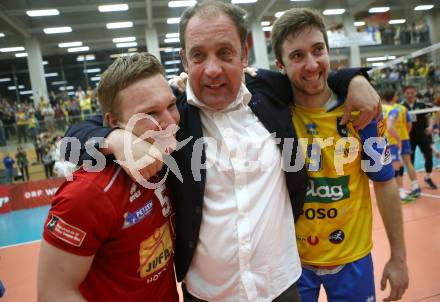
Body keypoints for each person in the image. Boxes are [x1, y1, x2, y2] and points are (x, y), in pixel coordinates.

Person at [64, 1, 381, 300]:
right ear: (185, 60)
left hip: (282, 287)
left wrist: (355, 79)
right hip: (206, 295)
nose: (212, 69)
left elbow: (313, 76)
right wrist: (116, 139)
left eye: (225, 53)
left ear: (244, 53)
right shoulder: (170, 114)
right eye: (199, 56)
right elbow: (76, 136)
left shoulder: (269, 90)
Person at [270, 8, 409, 301]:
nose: (311, 64)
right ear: (280, 65)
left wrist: (398, 258)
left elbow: (385, 183)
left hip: (353, 259)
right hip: (292, 264)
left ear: (328, 51)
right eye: (297, 56)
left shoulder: (363, 111)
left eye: (317, 50)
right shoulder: (271, 114)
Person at [37, 52, 179, 302]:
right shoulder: (88, 192)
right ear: (113, 122)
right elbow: (53, 294)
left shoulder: (166, 154)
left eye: (171, 105)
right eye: (150, 114)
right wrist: (115, 139)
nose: (170, 123)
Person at [381, 89, 420, 202]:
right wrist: (404, 134)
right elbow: (409, 124)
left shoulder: (381, 109)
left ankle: (400, 192)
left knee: (394, 166)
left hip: (392, 141)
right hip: (403, 138)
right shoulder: (402, 108)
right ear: (393, 97)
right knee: (407, 163)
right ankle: (415, 186)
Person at [403, 85, 438, 190]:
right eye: (408, 93)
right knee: (411, 160)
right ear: (405, 94)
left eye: (412, 92)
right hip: (409, 136)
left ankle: (428, 177)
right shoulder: (401, 106)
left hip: (423, 134)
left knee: (428, 156)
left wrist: (431, 126)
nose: (410, 95)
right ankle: (414, 183)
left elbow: (429, 117)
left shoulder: (422, 105)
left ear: (415, 93)